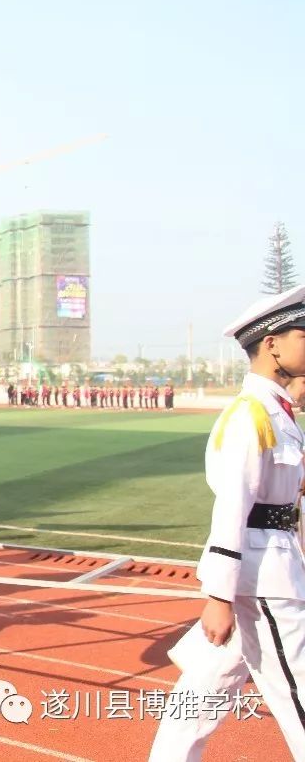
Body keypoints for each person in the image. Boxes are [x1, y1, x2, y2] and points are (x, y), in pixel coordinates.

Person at [148, 287, 305, 760]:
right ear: (272, 343)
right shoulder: (250, 414)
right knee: (299, 696)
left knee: (200, 694)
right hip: (263, 577)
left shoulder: (276, 413)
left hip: (271, 567)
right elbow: (232, 510)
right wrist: (217, 596)